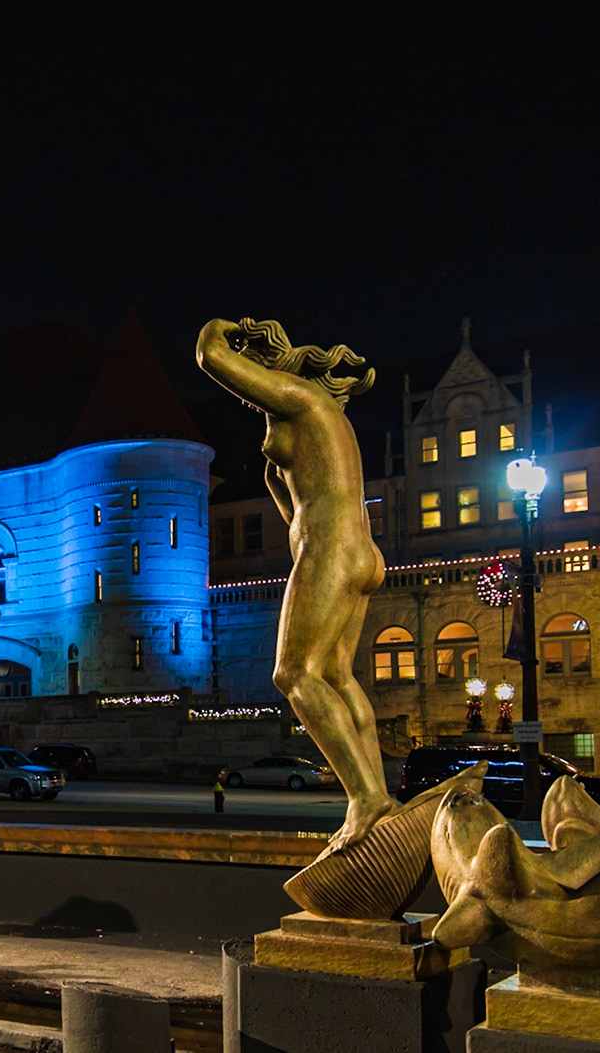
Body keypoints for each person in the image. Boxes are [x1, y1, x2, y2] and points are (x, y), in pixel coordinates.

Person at [196, 317, 390, 852]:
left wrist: (223, 329)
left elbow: (210, 356)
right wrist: (275, 471)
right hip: (359, 551)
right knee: (336, 674)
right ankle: (380, 800)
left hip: (330, 546)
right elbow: (293, 513)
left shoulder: (300, 398)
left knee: (293, 673)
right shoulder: (329, 422)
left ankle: (366, 798)